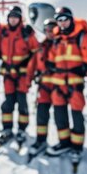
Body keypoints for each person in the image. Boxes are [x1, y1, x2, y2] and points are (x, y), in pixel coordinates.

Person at [45, 7, 87, 168]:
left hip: (74, 83)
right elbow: (53, 56)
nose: (62, 22)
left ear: (71, 19)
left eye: (65, 19)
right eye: (60, 20)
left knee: (77, 115)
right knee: (59, 114)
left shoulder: (81, 36)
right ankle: (64, 142)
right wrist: (50, 64)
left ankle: (77, 147)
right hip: (58, 83)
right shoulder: (57, 37)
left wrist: (84, 69)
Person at [0, 6, 38, 146]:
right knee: (8, 103)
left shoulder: (26, 33)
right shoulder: (3, 32)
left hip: (22, 76)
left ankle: (21, 130)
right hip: (8, 75)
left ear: (20, 19)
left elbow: (36, 52)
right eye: (11, 17)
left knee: (22, 103)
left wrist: (29, 69)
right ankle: (7, 129)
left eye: (16, 17)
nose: (13, 19)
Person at [26, 18, 58, 160]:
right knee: (41, 115)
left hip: (59, 88)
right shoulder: (41, 46)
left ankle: (65, 143)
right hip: (44, 88)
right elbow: (32, 65)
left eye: (52, 29)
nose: (50, 32)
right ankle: (41, 139)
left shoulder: (61, 44)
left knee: (60, 117)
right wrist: (27, 82)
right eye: (47, 29)